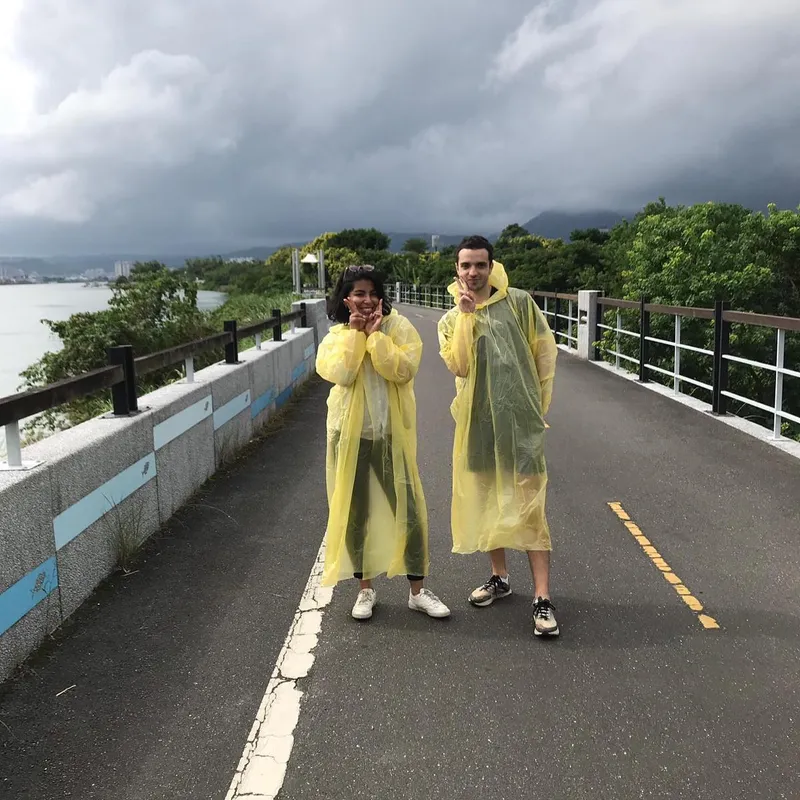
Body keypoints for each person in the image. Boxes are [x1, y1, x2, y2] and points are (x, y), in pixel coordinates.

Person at [437, 236, 559, 636]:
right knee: (489, 499)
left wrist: (538, 408)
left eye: (480, 265)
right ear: (456, 270)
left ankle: (542, 598)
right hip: (479, 424)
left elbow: (544, 352)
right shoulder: (451, 319)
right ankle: (500, 578)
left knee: (530, 506)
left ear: (492, 267)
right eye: (466, 266)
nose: (473, 273)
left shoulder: (520, 303)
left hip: (521, 423)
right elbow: (459, 366)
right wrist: (467, 318)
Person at [316, 265, 451, 621]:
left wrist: (376, 337)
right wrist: (357, 336)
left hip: (391, 435)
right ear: (345, 299)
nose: (367, 300)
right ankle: (365, 590)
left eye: (373, 293)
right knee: (356, 513)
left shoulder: (398, 328)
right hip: (348, 436)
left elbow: (404, 370)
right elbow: (342, 373)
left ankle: (418, 590)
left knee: (408, 507)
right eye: (359, 293)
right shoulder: (336, 337)